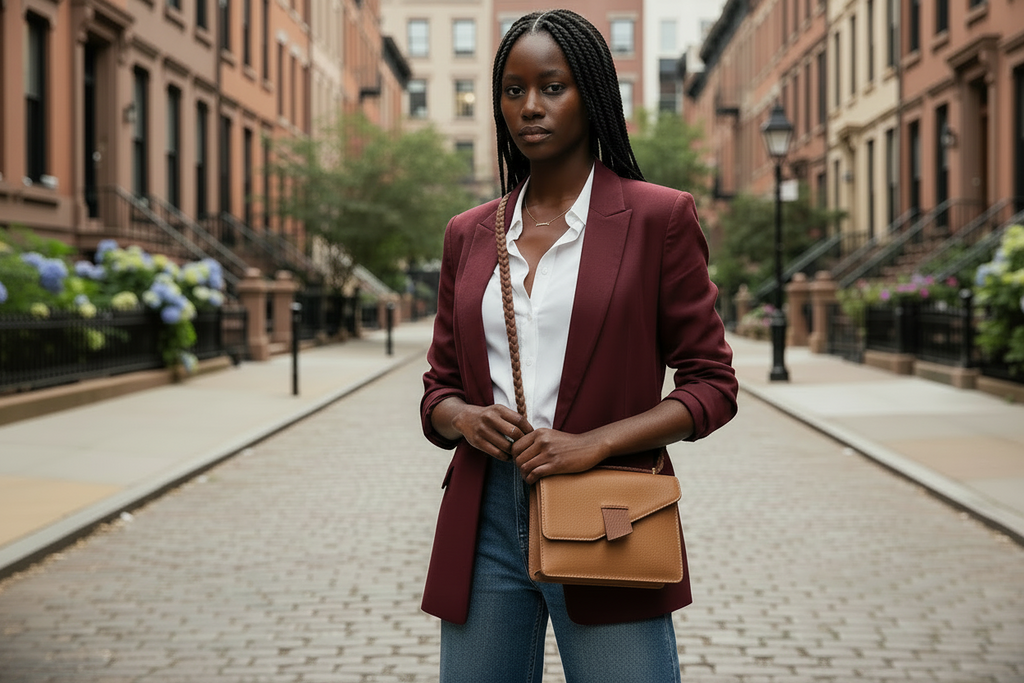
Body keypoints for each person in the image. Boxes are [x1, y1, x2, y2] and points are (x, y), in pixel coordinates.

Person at [419, 9, 738, 682]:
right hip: (483, 521)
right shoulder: (469, 233)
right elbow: (437, 391)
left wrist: (596, 441)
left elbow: (711, 384)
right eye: (513, 90)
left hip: (608, 513)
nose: (529, 106)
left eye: (552, 86)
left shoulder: (658, 218)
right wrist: (467, 418)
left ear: (592, 95)